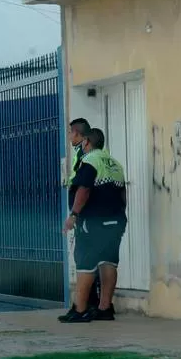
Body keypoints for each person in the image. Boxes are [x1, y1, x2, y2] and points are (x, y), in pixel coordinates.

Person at [60, 128, 127, 323]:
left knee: (85, 263)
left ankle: (80, 310)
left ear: (87, 141)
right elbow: (123, 195)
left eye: (82, 141)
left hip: (94, 220)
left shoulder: (90, 161)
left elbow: (84, 189)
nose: (80, 144)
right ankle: (105, 308)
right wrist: (120, 215)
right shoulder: (115, 164)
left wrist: (73, 215)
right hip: (115, 220)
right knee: (109, 262)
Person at [68, 118, 101, 309]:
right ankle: (89, 302)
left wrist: (74, 213)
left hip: (86, 214)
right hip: (87, 213)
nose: (70, 136)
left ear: (80, 135)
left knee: (85, 259)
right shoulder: (82, 153)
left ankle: (86, 303)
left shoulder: (85, 154)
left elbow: (84, 186)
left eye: (71, 133)